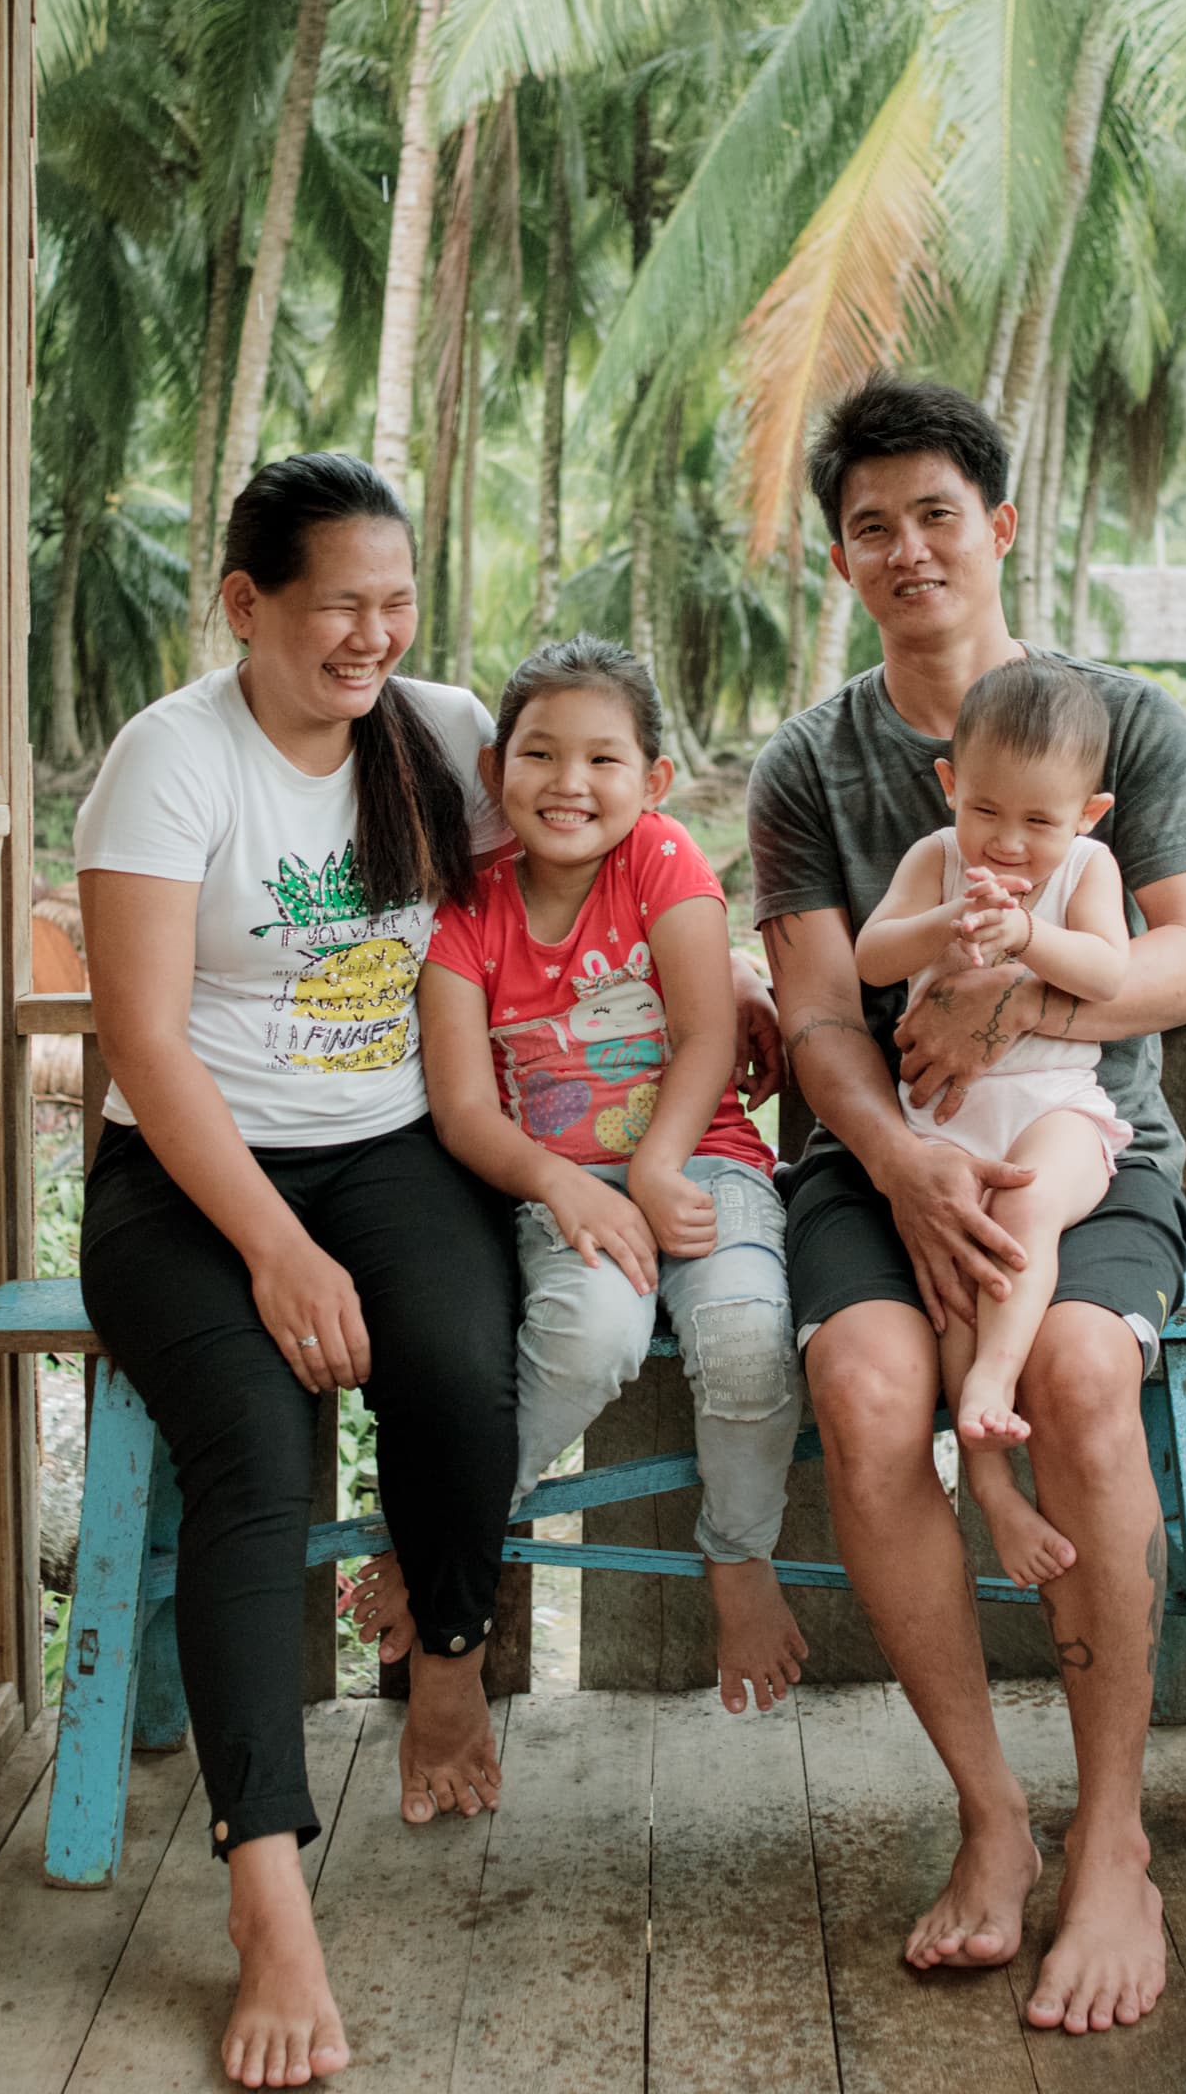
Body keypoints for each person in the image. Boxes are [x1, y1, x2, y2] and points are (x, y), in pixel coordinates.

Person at [748, 376, 1186, 2037]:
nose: (907, 550)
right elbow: (822, 1006)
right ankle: (991, 1819)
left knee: (1091, 1376)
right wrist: (900, 1155)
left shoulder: (1125, 726)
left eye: (936, 515)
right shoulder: (811, 764)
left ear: (998, 526)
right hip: (881, 1158)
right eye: (870, 526)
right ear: (840, 557)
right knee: (870, 1385)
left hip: (1090, 1146)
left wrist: (1014, 1009)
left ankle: (1114, 1839)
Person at [72, 453, 518, 2089]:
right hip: (187, 1181)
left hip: (395, 1146)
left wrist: (717, 990)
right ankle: (268, 1892)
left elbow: (604, 844)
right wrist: (272, 1245)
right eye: (338, 603)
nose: (371, 635)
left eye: (394, 603)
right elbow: (139, 1039)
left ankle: (448, 1664)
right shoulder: (168, 764)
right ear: (246, 603)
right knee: (254, 1458)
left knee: (467, 1363)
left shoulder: (449, 735)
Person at [418, 638, 810, 1718]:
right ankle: (455, 1539)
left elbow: (700, 1037)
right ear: (497, 770)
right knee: (591, 1336)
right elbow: (461, 1108)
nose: (571, 784)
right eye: (540, 755)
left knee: (742, 1338)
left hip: (700, 1163)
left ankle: (738, 1553)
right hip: (562, 1189)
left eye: (603, 760)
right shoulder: (467, 910)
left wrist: (654, 1162)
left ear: (652, 781)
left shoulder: (665, 862)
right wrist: (569, 1186)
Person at [850, 659, 1135, 1590]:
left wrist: (1025, 942)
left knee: (1026, 1214)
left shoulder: (1089, 869)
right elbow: (870, 953)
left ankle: (992, 1378)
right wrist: (942, 926)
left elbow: (1107, 975)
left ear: (1086, 815)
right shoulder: (936, 860)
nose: (1007, 844)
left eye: (1040, 822)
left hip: (1056, 1107)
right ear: (950, 788)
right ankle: (991, 1480)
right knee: (960, 1260)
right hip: (948, 1124)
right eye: (986, 813)